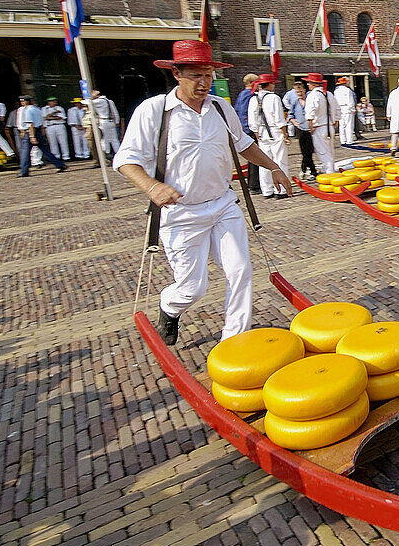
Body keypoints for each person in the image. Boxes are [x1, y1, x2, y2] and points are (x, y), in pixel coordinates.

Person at [113, 40, 292, 344]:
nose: (203, 82)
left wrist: (274, 166)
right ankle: (169, 308)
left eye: (208, 75)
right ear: (177, 74)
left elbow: (243, 144)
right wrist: (152, 186)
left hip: (223, 205)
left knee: (241, 271)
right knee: (193, 287)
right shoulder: (154, 111)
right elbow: (125, 160)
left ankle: (234, 342)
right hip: (180, 213)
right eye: (195, 75)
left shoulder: (220, 108)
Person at [247, 73, 290, 198]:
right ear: (270, 84)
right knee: (280, 160)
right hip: (275, 131)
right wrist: (285, 134)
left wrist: (257, 135)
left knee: (264, 162)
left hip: (261, 133)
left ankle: (267, 190)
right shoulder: (274, 98)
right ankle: (281, 190)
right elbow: (279, 119)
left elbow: (252, 121)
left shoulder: (253, 99)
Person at [17, 95, 68, 177]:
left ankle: (24, 170)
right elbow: (41, 122)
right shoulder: (37, 109)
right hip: (38, 131)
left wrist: (31, 136)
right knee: (45, 150)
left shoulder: (28, 110)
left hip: (31, 131)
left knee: (25, 152)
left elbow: (30, 124)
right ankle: (59, 164)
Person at [283, 79, 317, 179]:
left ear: (304, 90)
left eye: (301, 91)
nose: (299, 94)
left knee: (309, 150)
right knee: (305, 151)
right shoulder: (295, 102)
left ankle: (305, 169)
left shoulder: (309, 100)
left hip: (310, 128)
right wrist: (294, 121)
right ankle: (312, 171)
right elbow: (290, 114)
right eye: (297, 92)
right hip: (301, 128)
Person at [303, 73, 336, 175]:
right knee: (330, 151)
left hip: (319, 127)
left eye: (309, 82)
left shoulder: (312, 95)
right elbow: (337, 109)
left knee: (323, 153)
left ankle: (329, 174)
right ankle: (331, 170)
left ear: (313, 84)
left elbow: (310, 114)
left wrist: (311, 127)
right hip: (329, 126)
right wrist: (335, 122)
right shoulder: (329, 94)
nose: (308, 84)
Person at [234, 73, 261, 194]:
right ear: (251, 83)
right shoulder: (249, 95)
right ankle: (254, 184)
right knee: (255, 158)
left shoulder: (241, 94)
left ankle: (253, 183)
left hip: (245, 128)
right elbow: (246, 113)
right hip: (249, 129)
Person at [91, 90, 121, 159]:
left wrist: (88, 98)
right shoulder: (109, 101)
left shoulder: (99, 101)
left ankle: (107, 154)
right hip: (111, 121)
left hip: (103, 120)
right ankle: (118, 153)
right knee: (114, 139)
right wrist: (117, 121)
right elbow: (114, 111)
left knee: (105, 138)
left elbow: (87, 102)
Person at [42, 96, 71, 161]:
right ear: (49, 102)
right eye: (53, 101)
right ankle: (56, 156)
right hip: (49, 126)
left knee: (63, 141)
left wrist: (50, 117)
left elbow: (60, 117)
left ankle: (66, 156)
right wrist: (54, 113)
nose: (55, 102)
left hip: (59, 125)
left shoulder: (59, 108)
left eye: (55, 101)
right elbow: (45, 118)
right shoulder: (44, 109)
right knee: (52, 142)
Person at [334, 76, 357, 145]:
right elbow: (350, 101)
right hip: (347, 108)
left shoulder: (336, 91)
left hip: (339, 108)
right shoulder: (347, 90)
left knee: (342, 125)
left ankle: (343, 140)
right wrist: (352, 109)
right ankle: (349, 140)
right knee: (349, 125)